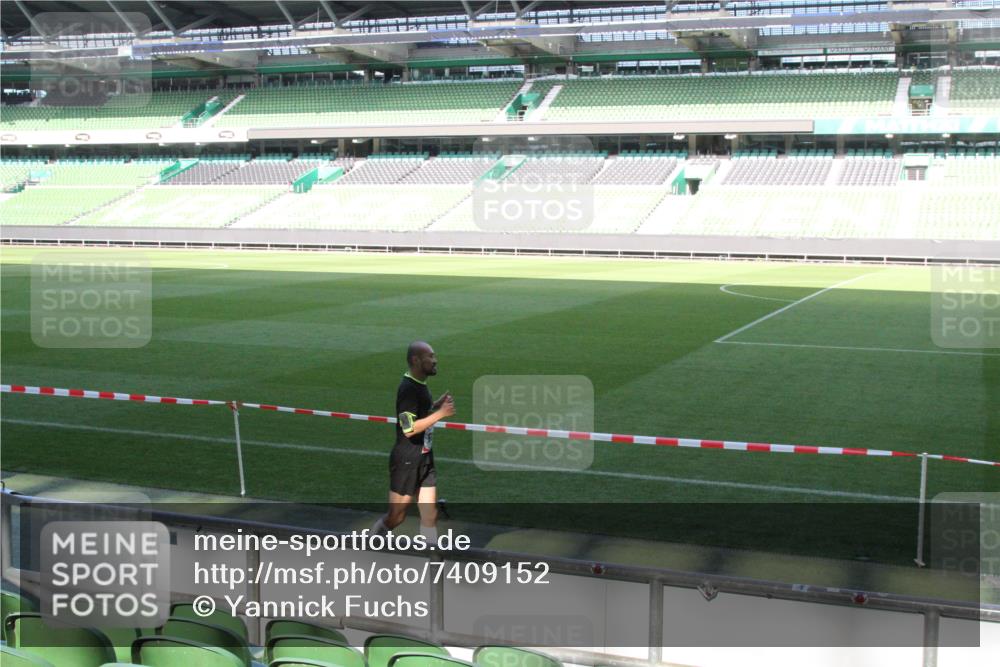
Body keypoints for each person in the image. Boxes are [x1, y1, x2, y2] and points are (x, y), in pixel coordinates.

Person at [370, 341, 454, 546]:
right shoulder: (408, 389)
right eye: (430, 357)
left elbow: (419, 412)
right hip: (407, 460)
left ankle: (432, 560)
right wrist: (441, 414)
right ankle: (372, 540)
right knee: (396, 517)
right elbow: (409, 428)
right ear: (416, 360)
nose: (435, 361)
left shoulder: (420, 385)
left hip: (424, 458)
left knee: (429, 515)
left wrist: (435, 406)